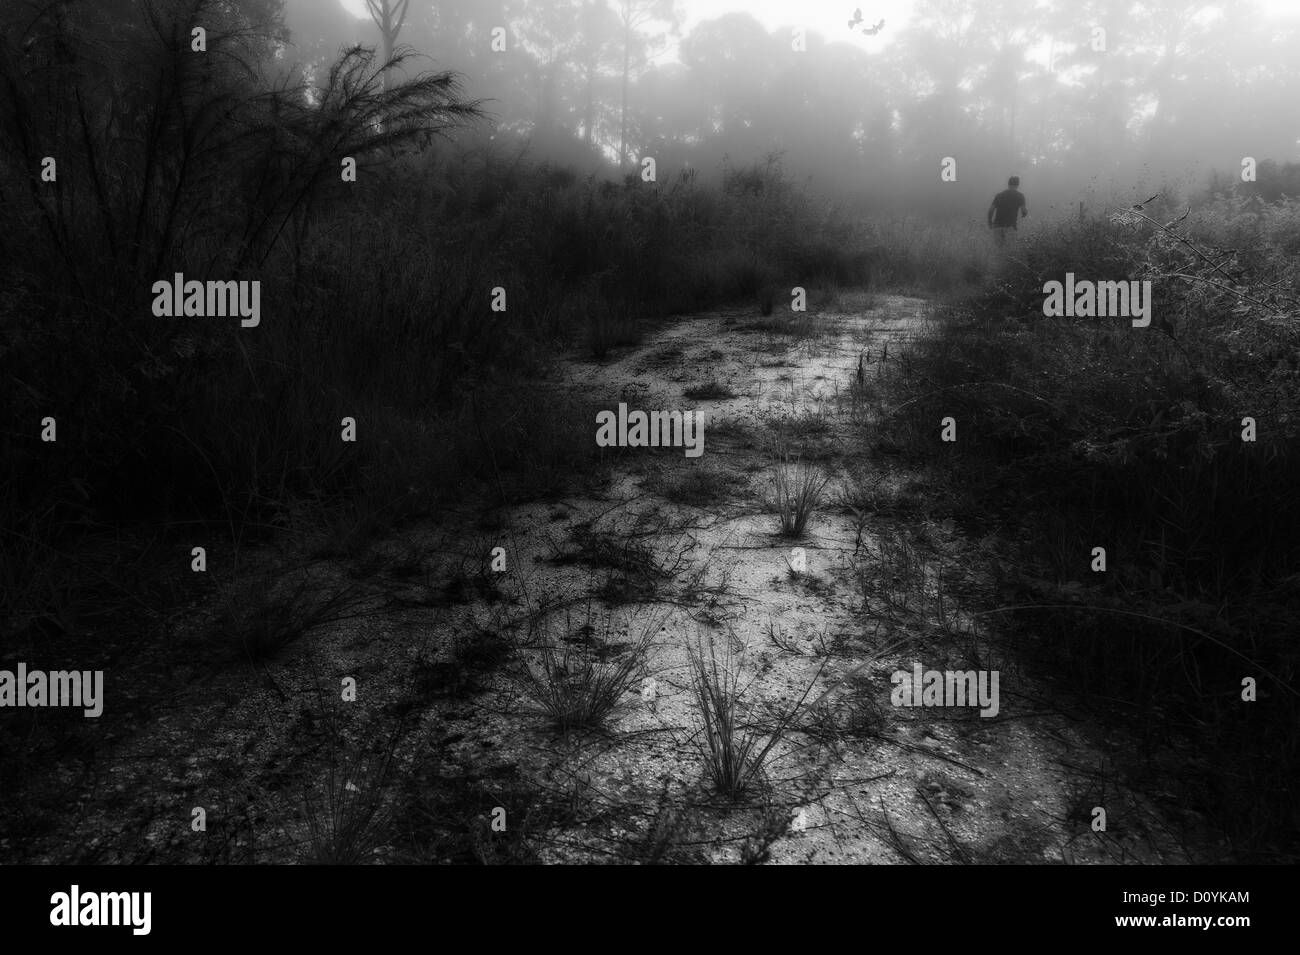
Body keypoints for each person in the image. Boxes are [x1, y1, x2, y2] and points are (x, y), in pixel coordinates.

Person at [988, 176, 1028, 245]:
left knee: (999, 251)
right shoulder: (1020, 196)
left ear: (1008, 184)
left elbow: (991, 210)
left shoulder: (999, 195)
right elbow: (1024, 211)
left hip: (997, 226)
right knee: (1010, 252)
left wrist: (990, 222)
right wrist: (1025, 213)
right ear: (1017, 185)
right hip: (1010, 227)